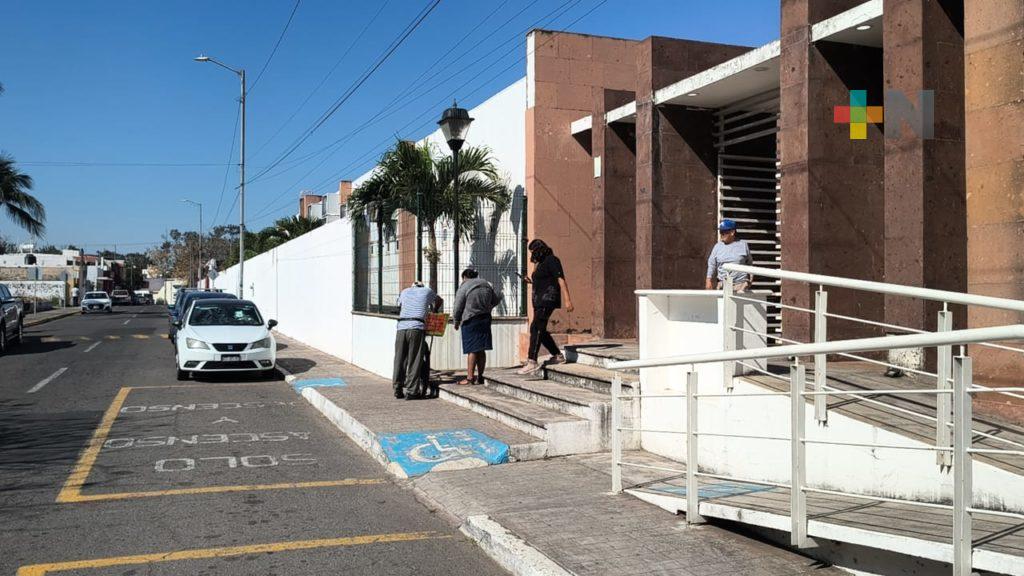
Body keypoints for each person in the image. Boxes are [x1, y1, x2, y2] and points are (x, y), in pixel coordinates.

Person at [518, 239, 573, 375]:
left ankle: (532, 361)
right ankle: (557, 355)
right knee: (538, 329)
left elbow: (561, 279)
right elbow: (542, 280)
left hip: (548, 299)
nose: (532, 255)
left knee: (536, 327)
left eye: (533, 252)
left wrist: (568, 300)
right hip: (538, 300)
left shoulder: (552, 260)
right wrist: (530, 280)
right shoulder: (540, 263)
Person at [453, 267, 501, 385]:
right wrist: (488, 307)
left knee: (472, 349)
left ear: (464, 277)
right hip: (485, 319)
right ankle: (480, 376)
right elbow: (496, 298)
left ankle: (470, 378)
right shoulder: (486, 284)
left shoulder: (464, 286)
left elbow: (458, 306)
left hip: (470, 319)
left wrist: (456, 321)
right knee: (481, 349)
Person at [393, 281, 439, 400]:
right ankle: (412, 391)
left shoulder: (404, 291)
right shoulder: (427, 291)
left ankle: (397, 388)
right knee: (414, 359)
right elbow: (439, 300)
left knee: (399, 359)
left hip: (401, 327)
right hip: (416, 327)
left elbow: (399, 306)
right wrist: (434, 310)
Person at [705, 219, 754, 292]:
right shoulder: (717, 247)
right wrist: (708, 280)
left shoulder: (743, 245)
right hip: (723, 286)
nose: (721, 235)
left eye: (724, 232)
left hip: (740, 286)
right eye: (720, 232)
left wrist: (749, 281)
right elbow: (712, 264)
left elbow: (749, 263)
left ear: (732, 232)